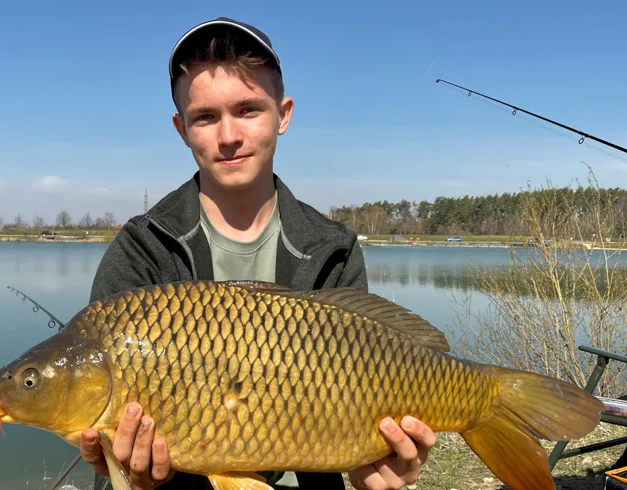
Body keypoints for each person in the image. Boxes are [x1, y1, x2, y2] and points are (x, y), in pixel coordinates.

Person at [79, 17, 437, 490]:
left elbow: (357, 408)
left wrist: (376, 462)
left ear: (283, 114)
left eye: (248, 109)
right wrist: (127, 474)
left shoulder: (333, 248)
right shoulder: (142, 249)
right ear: (181, 128)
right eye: (205, 117)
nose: (228, 135)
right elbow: (113, 452)